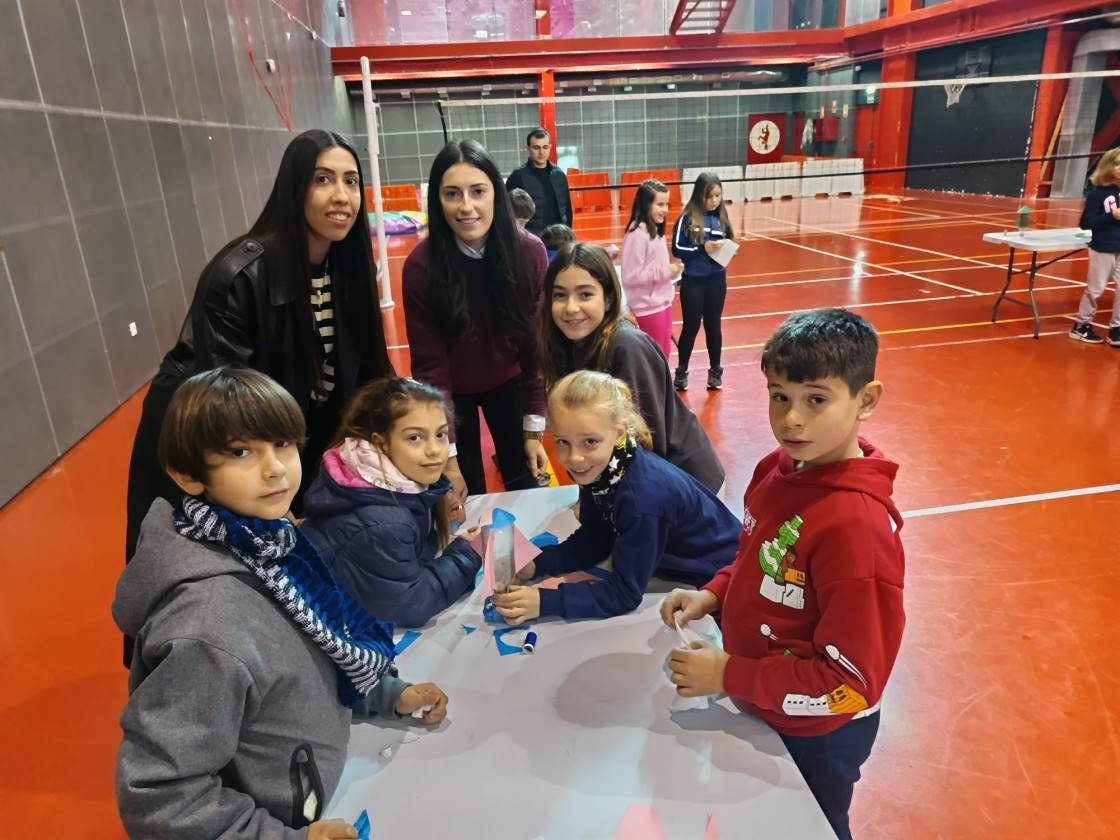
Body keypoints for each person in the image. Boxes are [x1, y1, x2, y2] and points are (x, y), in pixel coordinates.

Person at [114, 368, 448, 839]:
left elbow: (312, 653)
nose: (275, 468)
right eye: (241, 451)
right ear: (187, 474)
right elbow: (160, 796)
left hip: (317, 786)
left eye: (284, 444)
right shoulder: (208, 623)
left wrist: (385, 695)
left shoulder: (273, 544)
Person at [661, 308, 905, 840]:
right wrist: (715, 594)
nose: (792, 419)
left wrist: (729, 675)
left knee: (812, 827)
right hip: (763, 704)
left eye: (816, 399)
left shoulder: (856, 531)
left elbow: (851, 684)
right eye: (779, 396)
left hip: (819, 733)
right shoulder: (776, 469)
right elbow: (756, 561)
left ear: (865, 400)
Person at [125, 129, 394, 573]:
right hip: (201, 427)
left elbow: (366, 377)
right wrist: (272, 481)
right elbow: (226, 399)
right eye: (323, 180)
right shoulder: (240, 273)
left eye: (351, 181)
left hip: (286, 424)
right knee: (192, 567)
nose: (341, 195)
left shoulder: (347, 266)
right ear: (294, 188)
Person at [492, 370, 739, 624]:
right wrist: (538, 563)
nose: (574, 458)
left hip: (723, 586)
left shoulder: (643, 499)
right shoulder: (603, 471)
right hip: (673, 570)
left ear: (619, 432)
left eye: (589, 441)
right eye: (563, 442)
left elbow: (624, 594)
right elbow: (595, 539)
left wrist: (544, 601)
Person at [403, 139, 549, 496]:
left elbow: (534, 347)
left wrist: (533, 427)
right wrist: (447, 453)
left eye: (477, 191)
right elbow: (430, 368)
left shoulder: (529, 253)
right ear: (437, 201)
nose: (466, 206)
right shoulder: (421, 267)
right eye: (452, 194)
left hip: (508, 382)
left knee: (523, 480)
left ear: (496, 196)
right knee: (467, 491)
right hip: (454, 393)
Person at [539, 242, 724, 493]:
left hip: (684, 484)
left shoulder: (627, 347)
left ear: (608, 299)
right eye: (560, 295)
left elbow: (648, 440)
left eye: (585, 294)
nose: (571, 307)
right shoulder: (569, 344)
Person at [301, 377, 483, 627]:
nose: (434, 450)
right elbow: (411, 606)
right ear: (380, 443)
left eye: (440, 434)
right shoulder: (382, 520)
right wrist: (467, 553)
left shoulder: (386, 481)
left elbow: (407, 561)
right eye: (415, 438)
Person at [672, 172, 734, 391]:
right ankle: (681, 371)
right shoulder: (686, 218)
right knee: (691, 326)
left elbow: (731, 240)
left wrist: (729, 250)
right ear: (699, 195)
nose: (714, 200)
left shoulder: (722, 219)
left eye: (717, 195)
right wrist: (701, 248)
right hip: (693, 282)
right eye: (709, 196)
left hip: (716, 280)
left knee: (713, 324)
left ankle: (715, 371)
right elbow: (677, 249)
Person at [621, 179, 682, 356]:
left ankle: (662, 384)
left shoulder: (656, 231)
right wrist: (665, 271)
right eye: (659, 204)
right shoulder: (637, 236)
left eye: (667, 204)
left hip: (663, 301)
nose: (664, 209)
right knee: (653, 356)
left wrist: (672, 270)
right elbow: (631, 276)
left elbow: (657, 267)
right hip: (646, 307)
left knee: (664, 353)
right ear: (646, 204)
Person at [1070, 147, 1120, 346]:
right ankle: (1081, 325)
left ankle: (1116, 328)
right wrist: (1111, 216)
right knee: (1096, 289)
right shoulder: (1097, 195)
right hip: (1103, 247)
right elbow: (1086, 223)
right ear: (1110, 168)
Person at [505, 127, 572, 236]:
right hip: (531, 238)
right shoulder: (517, 177)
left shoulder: (559, 175)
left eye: (545, 147)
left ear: (550, 147)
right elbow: (507, 212)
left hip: (559, 237)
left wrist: (568, 233)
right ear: (528, 148)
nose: (541, 152)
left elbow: (567, 209)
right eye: (536, 148)